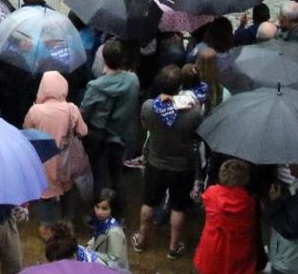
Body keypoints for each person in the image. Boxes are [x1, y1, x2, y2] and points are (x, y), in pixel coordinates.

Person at [132, 65, 202, 259]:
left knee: (148, 202)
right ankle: (174, 246)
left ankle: (141, 239)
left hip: (156, 163)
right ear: (179, 87)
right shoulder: (193, 112)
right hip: (182, 167)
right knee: (178, 207)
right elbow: (196, 134)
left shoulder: (148, 107)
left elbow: (145, 125)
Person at [80, 40, 140, 211]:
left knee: (99, 175)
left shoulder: (96, 86)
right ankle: (119, 210)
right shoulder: (133, 80)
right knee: (116, 174)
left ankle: (97, 212)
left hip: (99, 136)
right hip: (121, 136)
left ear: (104, 59)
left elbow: (84, 113)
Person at [23, 71, 89, 226]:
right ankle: (67, 222)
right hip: (67, 162)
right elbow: (83, 131)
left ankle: (47, 226)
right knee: (68, 189)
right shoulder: (71, 108)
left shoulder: (34, 111)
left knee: (45, 194)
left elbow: (26, 131)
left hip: (43, 161)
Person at [194, 159, 257, 274]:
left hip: (213, 243)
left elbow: (204, 204)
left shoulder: (211, 193)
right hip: (238, 247)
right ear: (245, 178)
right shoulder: (249, 200)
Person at [87, 189, 129, 272]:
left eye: (104, 209)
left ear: (112, 209)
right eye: (97, 207)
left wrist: (91, 254)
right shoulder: (101, 221)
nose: (99, 212)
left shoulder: (114, 232)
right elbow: (97, 236)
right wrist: (90, 245)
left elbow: (114, 260)